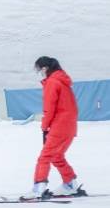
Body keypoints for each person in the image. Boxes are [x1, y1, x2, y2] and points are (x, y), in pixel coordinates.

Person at [22, 56, 82, 199]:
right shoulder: (63, 82)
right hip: (69, 126)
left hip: (59, 125)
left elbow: (49, 109)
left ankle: (39, 188)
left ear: (45, 68)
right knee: (56, 156)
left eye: (39, 70)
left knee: (45, 157)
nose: (39, 73)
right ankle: (70, 184)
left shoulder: (52, 83)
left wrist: (44, 126)